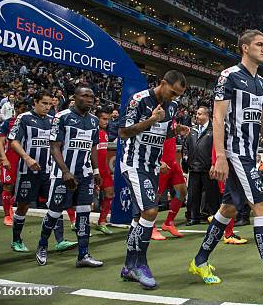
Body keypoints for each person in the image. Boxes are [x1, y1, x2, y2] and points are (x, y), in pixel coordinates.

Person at [188, 29, 263, 298]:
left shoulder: (262, 84)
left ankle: (199, 261)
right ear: (244, 48)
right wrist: (219, 155)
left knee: (229, 208)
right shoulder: (228, 76)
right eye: (259, 45)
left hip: (250, 154)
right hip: (234, 153)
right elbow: (218, 117)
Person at [118, 70, 186, 289]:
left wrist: (175, 130)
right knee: (150, 211)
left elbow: (163, 133)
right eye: (172, 92)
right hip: (133, 163)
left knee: (139, 217)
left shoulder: (172, 107)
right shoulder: (138, 100)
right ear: (162, 83)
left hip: (152, 166)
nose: (173, 98)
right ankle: (140, 265)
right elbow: (123, 132)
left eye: (177, 95)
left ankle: (129, 265)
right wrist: (150, 120)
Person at [37, 86, 102, 268]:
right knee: (55, 213)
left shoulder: (94, 121)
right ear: (75, 97)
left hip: (85, 174)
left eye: (92, 96)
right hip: (62, 175)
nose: (89, 99)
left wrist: (96, 171)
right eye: (85, 96)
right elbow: (54, 147)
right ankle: (42, 244)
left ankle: (83, 254)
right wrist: (65, 171)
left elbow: (93, 147)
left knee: (84, 214)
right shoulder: (62, 117)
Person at [8, 90, 75, 253]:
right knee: (23, 206)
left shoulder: (53, 120)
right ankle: (16, 240)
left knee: (55, 203)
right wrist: (27, 158)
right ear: (35, 102)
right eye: (43, 103)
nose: (47, 107)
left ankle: (60, 240)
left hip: (50, 171)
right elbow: (13, 141)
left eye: (49, 104)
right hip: (28, 171)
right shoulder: (24, 118)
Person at [153, 119, 190, 239]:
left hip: (172, 163)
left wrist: (178, 128)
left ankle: (168, 222)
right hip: (160, 163)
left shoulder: (171, 115)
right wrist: (157, 161)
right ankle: (151, 227)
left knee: (182, 192)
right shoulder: (156, 116)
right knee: (155, 197)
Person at [0, 100, 28, 226]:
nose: (22, 111)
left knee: (21, 187)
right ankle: (7, 215)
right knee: (8, 186)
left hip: (24, 159)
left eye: (25, 109)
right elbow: (0, 141)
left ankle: (14, 210)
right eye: (21, 109)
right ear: (16, 109)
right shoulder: (8, 123)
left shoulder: (30, 123)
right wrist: (4, 158)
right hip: (10, 158)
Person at [184, 107, 219, 227]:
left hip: (208, 168)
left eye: (199, 114)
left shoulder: (213, 129)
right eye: (196, 114)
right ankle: (194, 217)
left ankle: (215, 216)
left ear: (206, 115)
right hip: (194, 168)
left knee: (212, 194)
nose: (197, 116)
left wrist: (214, 164)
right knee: (193, 194)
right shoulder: (192, 130)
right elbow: (187, 147)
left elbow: (216, 148)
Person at [95, 107, 114, 235]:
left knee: (110, 194)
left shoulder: (105, 133)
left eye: (108, 119)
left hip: (104, 170)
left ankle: (102, 222)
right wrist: (93, 170)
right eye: (103, 119)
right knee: (84, 201)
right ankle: (75, 222)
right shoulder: (92, 132)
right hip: (93, 170)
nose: (106, 121)